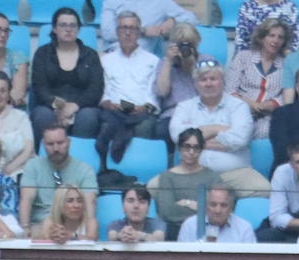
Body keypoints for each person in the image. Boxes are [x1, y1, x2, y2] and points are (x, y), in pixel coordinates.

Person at [168, 60, 271, 198]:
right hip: (193, 171)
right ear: (196, 84)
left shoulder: (239, 106)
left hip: (236, 173)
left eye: (213, 79)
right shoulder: (184, 107)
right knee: (158, 188)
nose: (208, 83)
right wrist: (216, 129)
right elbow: (179, 137)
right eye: (203, 80)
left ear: (222, 81)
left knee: (264, 189)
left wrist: (196, 143)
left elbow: (239, 139)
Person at [95, 11, 161, 168]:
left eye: (132, 28)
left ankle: (138, 170)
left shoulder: (153, 61)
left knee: (145, 125)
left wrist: (144, 107)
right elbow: (103, 91)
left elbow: (154, 95)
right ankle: (106, 169)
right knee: (106, 121)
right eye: (123, 28)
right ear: (117, 32)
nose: (127, 33)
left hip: (141, 112)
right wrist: (108, 103)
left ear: (139, 32)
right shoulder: (106, 60)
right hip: (113, 110)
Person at [29, 7, 104, 141]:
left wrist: (74, 106)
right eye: (63, 25)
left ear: (78, 29)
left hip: (82, 107)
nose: (68, 29)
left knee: (89, 116)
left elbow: (96, 89)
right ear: (54, 28)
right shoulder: (42, 53)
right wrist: (59, 107)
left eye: (73, 25)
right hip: (50, 106)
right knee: (43, 116)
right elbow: (39, 87)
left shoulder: (90, 55)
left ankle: (81, 159)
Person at [18, 124, 99, 233]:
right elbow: (26, 199)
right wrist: (25, 229)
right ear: (43, 145)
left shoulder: (85, 170)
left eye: (60, 143)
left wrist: (89, 232)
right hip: (39, 227)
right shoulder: (33, 166)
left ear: (69, 142)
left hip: (72, 228)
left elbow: (90, 204)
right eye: (50, 144)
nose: (56, 148)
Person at [225, 16, 290, 141]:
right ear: (262, 37)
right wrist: (251, 104)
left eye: (280, 37)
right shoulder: (243, 57)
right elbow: (229, 89)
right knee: (237, 130)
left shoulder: (286, 64)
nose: (275, 40)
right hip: (239, 110)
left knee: (266, 132)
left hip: (269, 115)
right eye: (271, 35)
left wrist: (270, 104)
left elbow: (287, 95)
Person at [154, 125, 220, 237]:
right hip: (175, 232)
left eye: (196, 147)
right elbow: (167, 212)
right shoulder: (167, 177)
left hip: (207, 231)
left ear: (201, 149)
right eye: (187, 146)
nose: (191, 152)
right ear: (179, 148)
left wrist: (185, 203)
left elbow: (221, 209)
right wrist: (201, 207)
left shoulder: (211, 176)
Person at [153, 24, 206, 145]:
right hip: (173, 113)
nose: (185, 48)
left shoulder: (206, 60)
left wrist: (193, 67)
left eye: (190, 44)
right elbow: (161, 92)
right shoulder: (164, 63)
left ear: (197, 43)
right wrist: (168, 62)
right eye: (182, 44)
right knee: (161, 131)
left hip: (201, 111)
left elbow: (211, 92)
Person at [99, 0, 196, 55]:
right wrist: (142, 31)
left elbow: (191, 19)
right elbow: (107, 33)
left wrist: (173, 22)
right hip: (115, 55)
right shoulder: (112, 1)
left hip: (145, 58)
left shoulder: (161, 2)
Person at [177, 183, 255, 241]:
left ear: (231, 207)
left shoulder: (244, 228)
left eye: (224, 205)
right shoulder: (190, 225)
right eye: (213, 205)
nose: (218, 210)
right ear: (206, 206)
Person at [34, 182, 99, 242]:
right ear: (60, 204)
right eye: (70, 201)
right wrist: (51, 236)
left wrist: (71, 235)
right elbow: (45, 242)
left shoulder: (90, 222)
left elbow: (91, 239)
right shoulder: (50, 221)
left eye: (79, 201)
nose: (76, 205)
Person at [235, 0, 299, 53]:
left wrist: (288, 54)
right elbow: (240, 39)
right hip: (251, 55)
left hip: (283, 56)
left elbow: (297, 38)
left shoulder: (290, 7)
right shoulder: (247, 6)